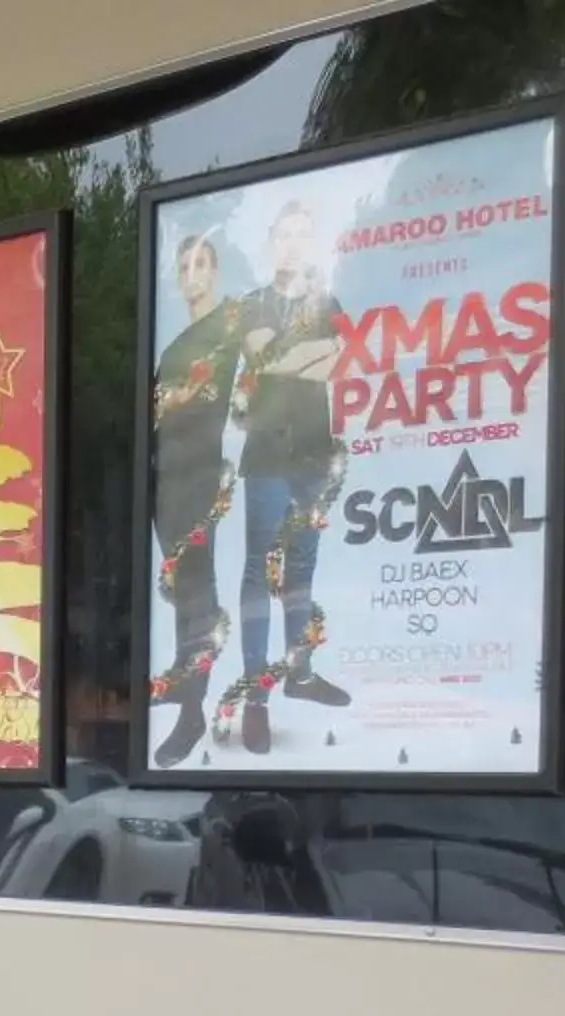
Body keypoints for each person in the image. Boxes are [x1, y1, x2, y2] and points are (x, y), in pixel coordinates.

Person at [225, 199, 352, 755]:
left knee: (303, 564)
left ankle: (299, 674)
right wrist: (312, 351)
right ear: (271, 242)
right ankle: (256, 700)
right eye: (285, 234)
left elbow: (340, 359)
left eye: (304, 234)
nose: (294, 244)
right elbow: (265, 359)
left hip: (313, 452)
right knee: (261, 570)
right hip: (269, 454)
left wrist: (304, 354)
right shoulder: (252, 305)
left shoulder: (328, 302)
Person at [145, 229, 244, 769]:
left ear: (215, 272)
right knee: (184, 588)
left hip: (200, 473)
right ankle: (186, 686)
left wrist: (170, 400)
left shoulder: (223, 329)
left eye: (201, 264)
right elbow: (159, 407)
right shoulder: (175, 345)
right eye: (185, 266)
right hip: (168, 478)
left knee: (196, 586)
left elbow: (190, 398)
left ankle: (192, 706)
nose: (192, 275)